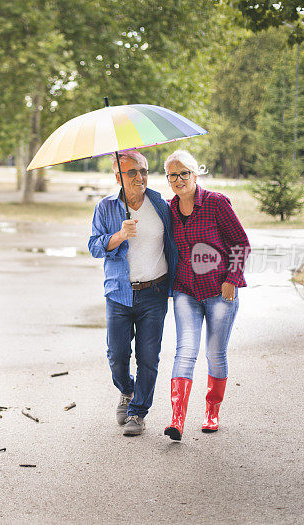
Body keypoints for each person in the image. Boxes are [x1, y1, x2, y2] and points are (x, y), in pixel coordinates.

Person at [88, 150, 178, 437]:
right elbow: (94, 246)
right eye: (131, 172)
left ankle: (138, 412)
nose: (139, 177)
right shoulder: (105, 208)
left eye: (143, 170)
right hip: (119, 293)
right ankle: (126, 391)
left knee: (149, 356)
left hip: (154, 291)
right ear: (118, 177)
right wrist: (119, 236)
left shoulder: (160, 204)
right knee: (117, 355)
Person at [162, 149, 250, 441]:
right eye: (173, 175)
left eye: (183, 173)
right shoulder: (169, 210)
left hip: (219, 290)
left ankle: (212, 411)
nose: (178, 179)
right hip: (186, 290)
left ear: (195, 174)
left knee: (215, 352)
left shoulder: (216, 203)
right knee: (185, 350)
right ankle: (177, 419)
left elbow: (241, 242)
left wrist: (233, 278)